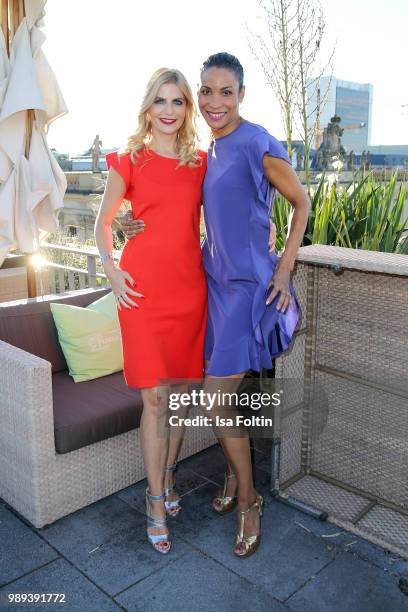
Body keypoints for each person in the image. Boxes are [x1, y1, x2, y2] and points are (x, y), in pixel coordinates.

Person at [121, 52, 310, 558]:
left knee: (214, 398)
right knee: (218, 397)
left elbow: (301, 201)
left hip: (248, 288)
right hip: (209, 286)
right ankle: (232, 476)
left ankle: (250, 500)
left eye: (225, 91)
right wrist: (128, 224)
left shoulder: (255, 142)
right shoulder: (209, 150)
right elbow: (173, 203)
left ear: (242, 95)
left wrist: (285, 265)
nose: (214, 101)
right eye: (206, 91)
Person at [94, 68, 208, 554]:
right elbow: (102, 224)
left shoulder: (200, 162)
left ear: (187, 109)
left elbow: (223, 211)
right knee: (155, 400)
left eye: (178, 102)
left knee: (180, 396)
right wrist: (112, 270)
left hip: (189, 291)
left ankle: (167, 475)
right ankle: (155, 500)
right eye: (160, 101)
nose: (168, 110)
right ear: (148, 107)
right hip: (140, 292)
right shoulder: (129, 160)